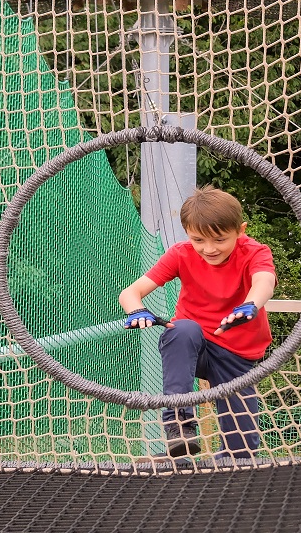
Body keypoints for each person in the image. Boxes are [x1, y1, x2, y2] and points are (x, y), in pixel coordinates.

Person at [118, 185, 277, 461]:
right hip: (195, 345)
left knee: (241, 450)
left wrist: (251, 304)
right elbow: (130, 293)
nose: (209, 249)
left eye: (219, 240)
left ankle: (227, 467)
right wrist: (136, 311)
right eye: (198, 240)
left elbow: (264, 280)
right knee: (181, 329)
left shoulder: (254, 251)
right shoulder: (181, 253)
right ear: (188, 233)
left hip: (235, 353)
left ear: (240, 230)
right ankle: (179, 424)